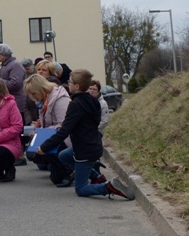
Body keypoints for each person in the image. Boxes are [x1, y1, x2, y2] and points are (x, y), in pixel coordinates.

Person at [37, 69, 134, 200]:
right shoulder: (93, 101)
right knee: (64, 156)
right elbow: (87, 122)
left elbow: (64, 132)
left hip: (84, 151)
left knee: (81, 189)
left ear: (77, 86)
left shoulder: (75, 104)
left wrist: (44, 147)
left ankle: (108, 186)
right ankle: (95, 175)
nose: (68, 84)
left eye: (70, 82)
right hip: (92, 144)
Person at [23, 74, 72, 184]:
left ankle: (68, 169)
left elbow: (64, 125)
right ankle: (63, 169)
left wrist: (42, 132)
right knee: (34, 151)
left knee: (41, 150)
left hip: (65, 139)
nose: (32, 97)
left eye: (33, 93)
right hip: (54, 136)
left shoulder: (60, 100)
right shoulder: (45, 100)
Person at [0, 43, 27, 165]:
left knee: (18, 129)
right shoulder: (6, 65)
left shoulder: (15, 65)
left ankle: (21, 155)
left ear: (4, 54)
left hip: (17, 102)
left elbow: (15, 83)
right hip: (10, 101)